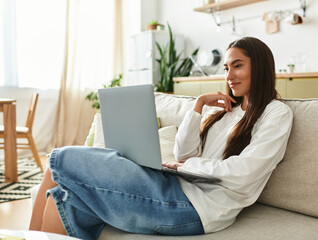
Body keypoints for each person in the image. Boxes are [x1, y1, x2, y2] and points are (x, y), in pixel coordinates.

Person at [29, 37, 293, 239]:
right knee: (64, 198)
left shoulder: (276, 113)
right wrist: (199, 106)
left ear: (259, 67)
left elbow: (244, 172)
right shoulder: (227, 112)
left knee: (60, 158)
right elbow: (184, 154)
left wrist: (184, 167)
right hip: (176, 186)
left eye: (238, 66)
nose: (229, 76)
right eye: (226, 68)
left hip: (200, 207)